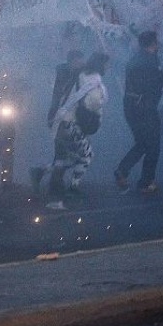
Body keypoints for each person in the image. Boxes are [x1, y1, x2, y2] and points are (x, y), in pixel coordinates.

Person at [40, 51, 110, 210]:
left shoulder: (70, 75)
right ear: (71, 62)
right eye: (79, 62)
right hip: (65, 121)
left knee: (65, 158)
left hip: (62, 120)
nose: (82, 64)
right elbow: (90, 102)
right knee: (64, 159)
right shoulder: (73, 76)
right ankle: (56, 198)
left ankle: (46, 180)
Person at [114, 31, 163, 194]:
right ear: (153, 43)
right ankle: (146, 182)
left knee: (143, 143)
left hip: (132, 107)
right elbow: (155, 83)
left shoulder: (136, 59)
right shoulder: (148, 60)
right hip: (145, 109)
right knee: (153, 145)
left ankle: (123, 171)